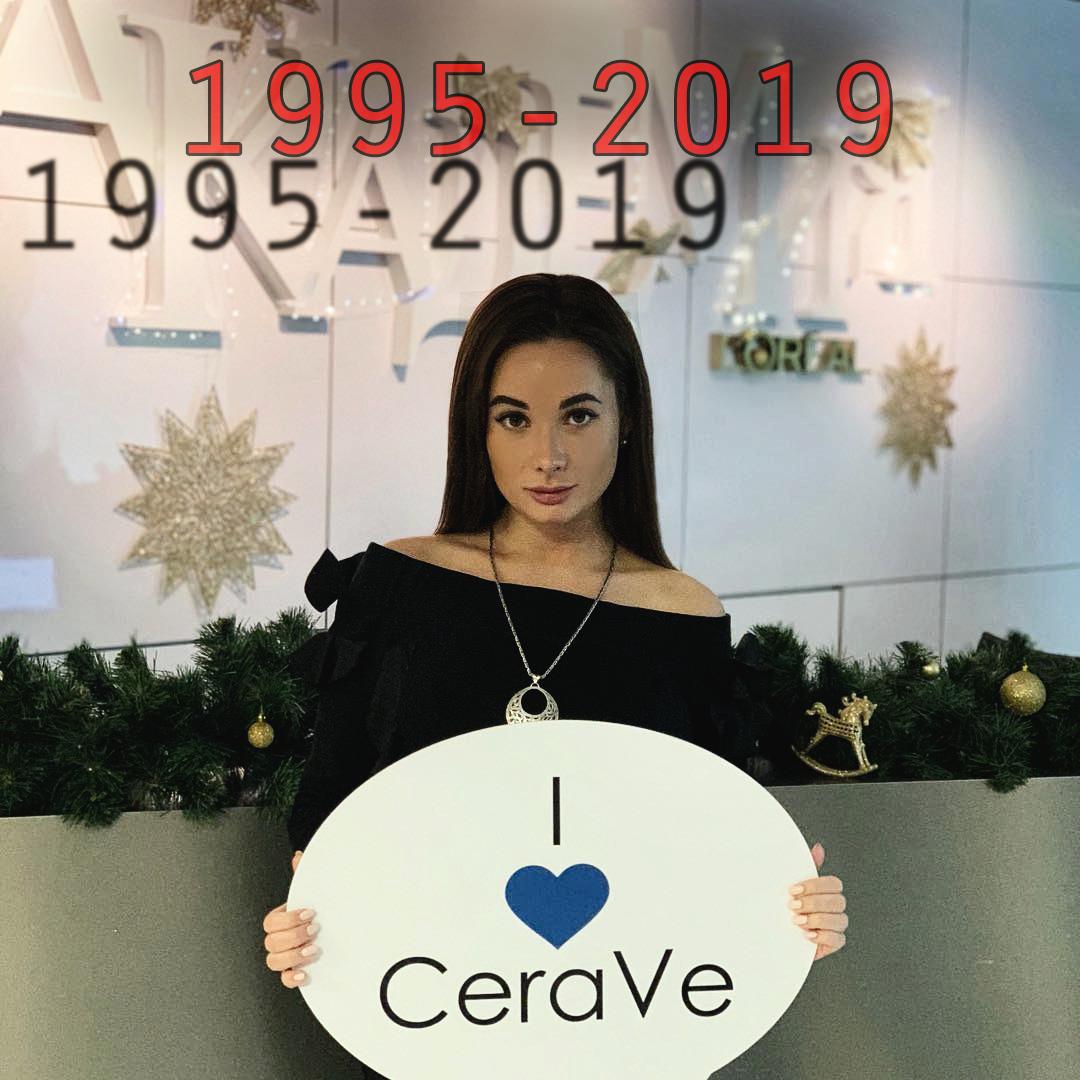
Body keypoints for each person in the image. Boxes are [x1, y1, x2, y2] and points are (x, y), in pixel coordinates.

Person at [261, 273, 849, 1076]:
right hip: (435, 1025)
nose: (548, 456)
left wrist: (788, 913)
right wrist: (303, 926)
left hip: (621, 1030)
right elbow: (327, 823)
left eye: (579, 414)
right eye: (514, 418)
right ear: (477, 430)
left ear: (627, 421)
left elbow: (701, 855)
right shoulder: (398, 587)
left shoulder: (682, 616)